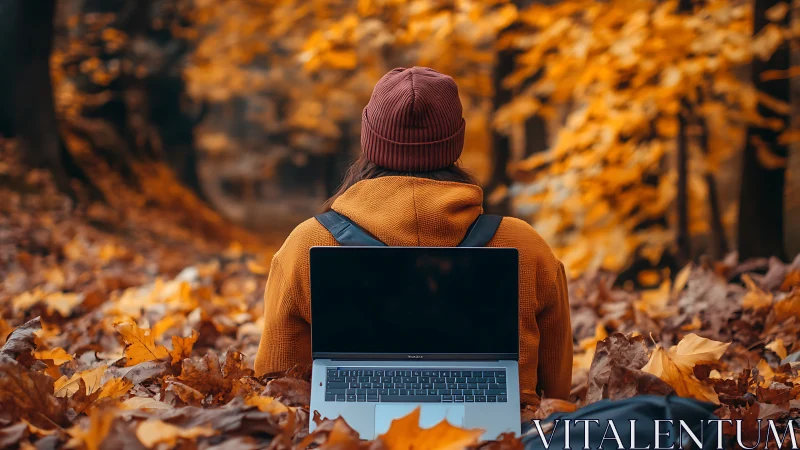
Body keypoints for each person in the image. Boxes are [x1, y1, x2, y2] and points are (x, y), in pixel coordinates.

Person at [254, 66, 572, 403]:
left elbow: (276, 386)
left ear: (369, 138)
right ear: (455, 141)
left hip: (344, 432)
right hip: (502, 434)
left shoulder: (307, 243)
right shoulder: (524, 245)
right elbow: (557, 393)